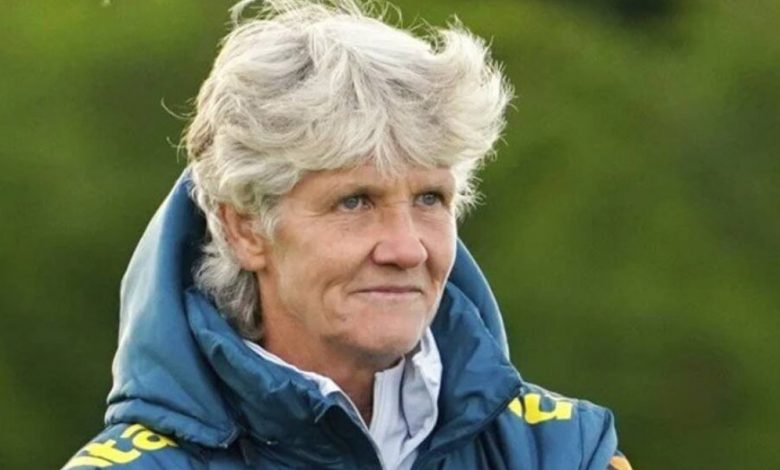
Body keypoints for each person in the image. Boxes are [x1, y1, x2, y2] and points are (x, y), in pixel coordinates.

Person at [63, 0, 632, 468]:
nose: (406, 248)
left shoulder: (561, 452)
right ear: (244, 228)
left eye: (430, 199)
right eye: (354, 201)